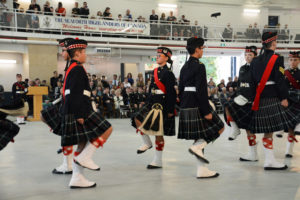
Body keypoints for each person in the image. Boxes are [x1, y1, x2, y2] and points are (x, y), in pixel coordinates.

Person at [61, 38, 112, 188]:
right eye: (84, 52)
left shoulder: (72, 66)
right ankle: (85, 158)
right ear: (77, 53)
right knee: (108, 129)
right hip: (80, 109)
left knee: (82, 143)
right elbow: (74, 93)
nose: (86, 55)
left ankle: (77, 177)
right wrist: (80, 114)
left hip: (76, 109)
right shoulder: (76, 68)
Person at [249, 32, 298, 170]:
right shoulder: (277, 58)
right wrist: (283, 97)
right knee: (270, 130)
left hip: (259, 97)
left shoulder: (255, 60)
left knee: (268, 130)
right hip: (272, 96)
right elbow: (280, 80)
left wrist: (254, 99)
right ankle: (269, 161)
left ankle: (270, 160)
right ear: (274, 43)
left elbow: (252, 82)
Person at [178, 37, 224, 178]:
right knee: (220, 126)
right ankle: (198, 148)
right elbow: (201, 90)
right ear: (197, 49)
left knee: (198, 137)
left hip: (186, 105)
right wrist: (206, 111)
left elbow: (180, 89)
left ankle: (202, 169)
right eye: (202, 48)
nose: (203, 50)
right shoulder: (199, 66)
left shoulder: (184, 67)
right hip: (197, 104)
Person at [132, 47, 176, 169]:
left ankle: (158, 161)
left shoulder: (169, 73)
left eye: (160, 56)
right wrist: (146, 102)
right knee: (137, 118)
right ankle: (147, 143)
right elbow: (151, 88)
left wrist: (170, 110)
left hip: (162, 104)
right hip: (152, 102)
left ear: (167, 58)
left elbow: (171, 93)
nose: (157, 57)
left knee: (158, 133)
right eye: (157, 55)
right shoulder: (155, 71)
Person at [40, 38, 74, 175]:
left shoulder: (73, 66)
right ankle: (68, 163)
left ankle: (68, 165)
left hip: (70, 105)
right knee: (44, 115)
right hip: (65, 103)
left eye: (64, 50)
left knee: (67, 137)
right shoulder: (69, 65)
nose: (62, 53)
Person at [282, 51, 300, 157]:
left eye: (295, 60)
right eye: (291, 60)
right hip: (287, 101)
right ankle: (288, 150)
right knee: (289, 127)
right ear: (288, 61)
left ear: (299, 61)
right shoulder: (284, 73)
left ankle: (289, 150)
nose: (293, 62)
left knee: (293, 126)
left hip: (298, 101)